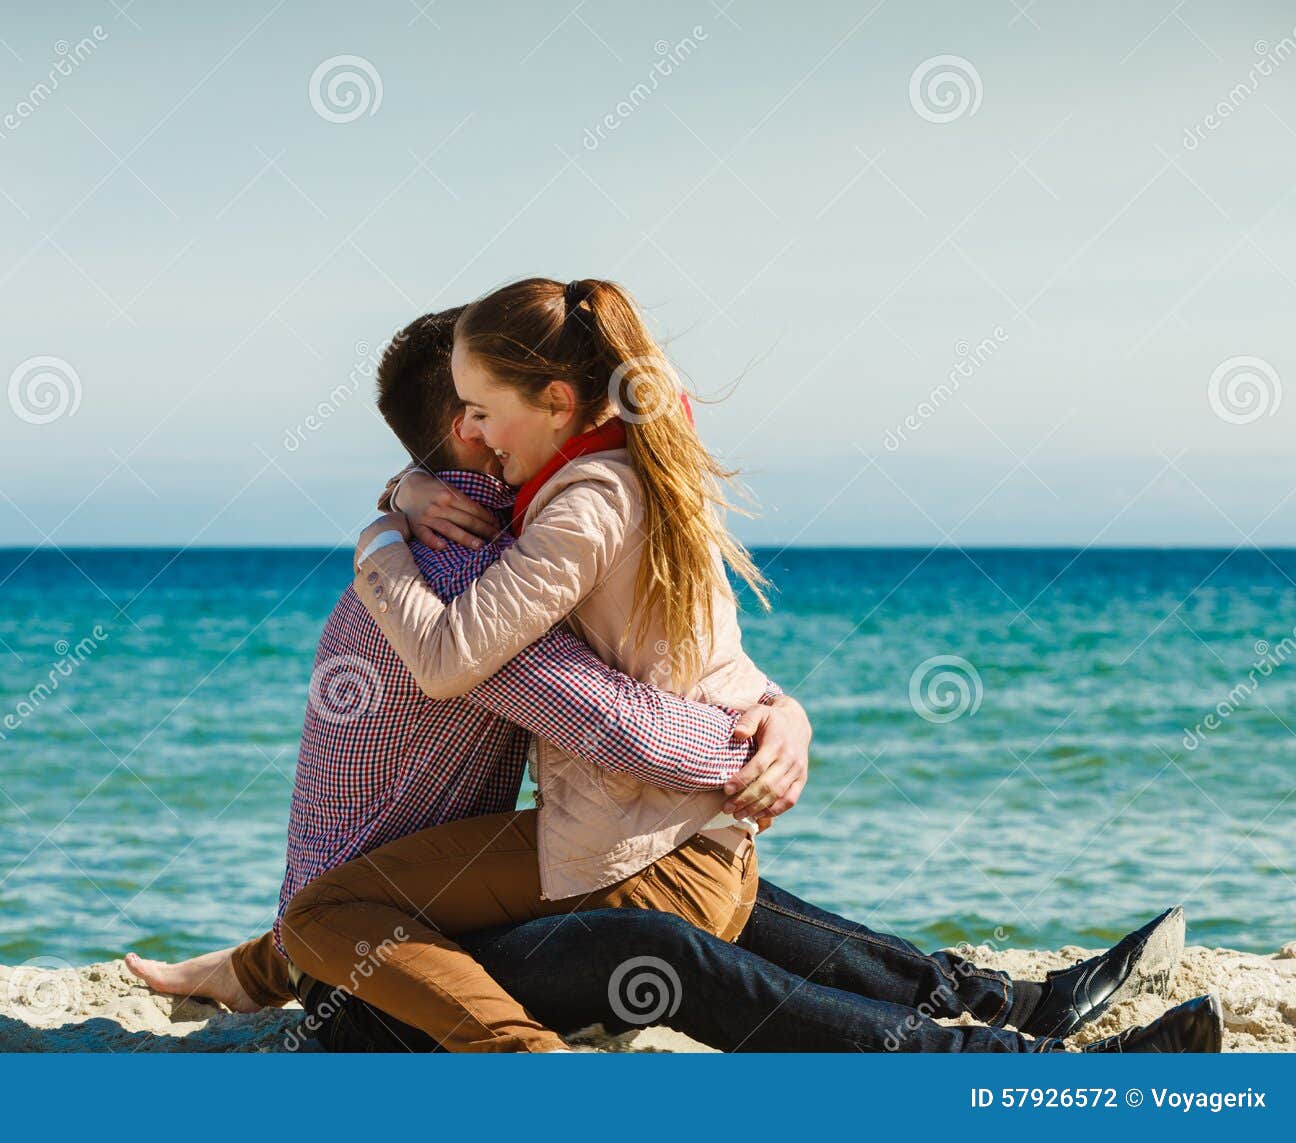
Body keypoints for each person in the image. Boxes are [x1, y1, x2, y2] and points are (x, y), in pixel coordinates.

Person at [127, 294, 1217, 1053]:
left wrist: (778, 711)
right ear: (468, 425)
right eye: (498, 397)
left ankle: (1008, 1007)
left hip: (414, 918)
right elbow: (628, 735)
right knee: (660, 923)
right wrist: (763, 745)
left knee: (672, 861)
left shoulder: (492, 544)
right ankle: (1007, 1063)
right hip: (386, 986)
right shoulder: (454, 576)